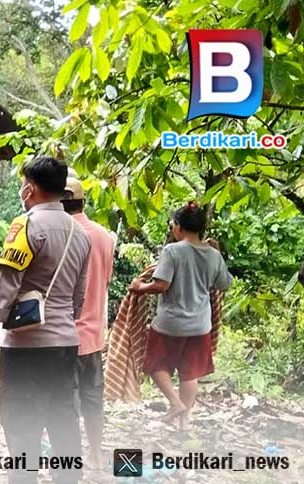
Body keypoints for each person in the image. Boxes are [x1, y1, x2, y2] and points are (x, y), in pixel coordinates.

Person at [0, 156, 90, 484]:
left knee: (22, 422)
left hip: (27, 345)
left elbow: (5, 286)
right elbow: (77, 297)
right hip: (65, 341)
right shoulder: (79, 234)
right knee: (63, 418)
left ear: (31, 188)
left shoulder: (26, 225)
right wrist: (65, 322)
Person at [129, 202, 232, 431]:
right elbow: (224, 284)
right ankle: (184, 423)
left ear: (179, 227)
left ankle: (175, 404)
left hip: (170, 323)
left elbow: (161, 284)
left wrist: (139, 286)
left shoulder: (172, 251)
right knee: (190, 372)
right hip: (200, 325)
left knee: (155, 364)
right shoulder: (213, 254)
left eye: (173, 224)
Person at [62, 176, 116, 468]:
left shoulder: (61, 233)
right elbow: (105, 281)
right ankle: (95, 453)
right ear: (82, 201)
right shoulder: (103, 235)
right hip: (94, 333)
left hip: (61, 335)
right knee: (93, 400)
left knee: (63, 401)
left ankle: (70, 459)